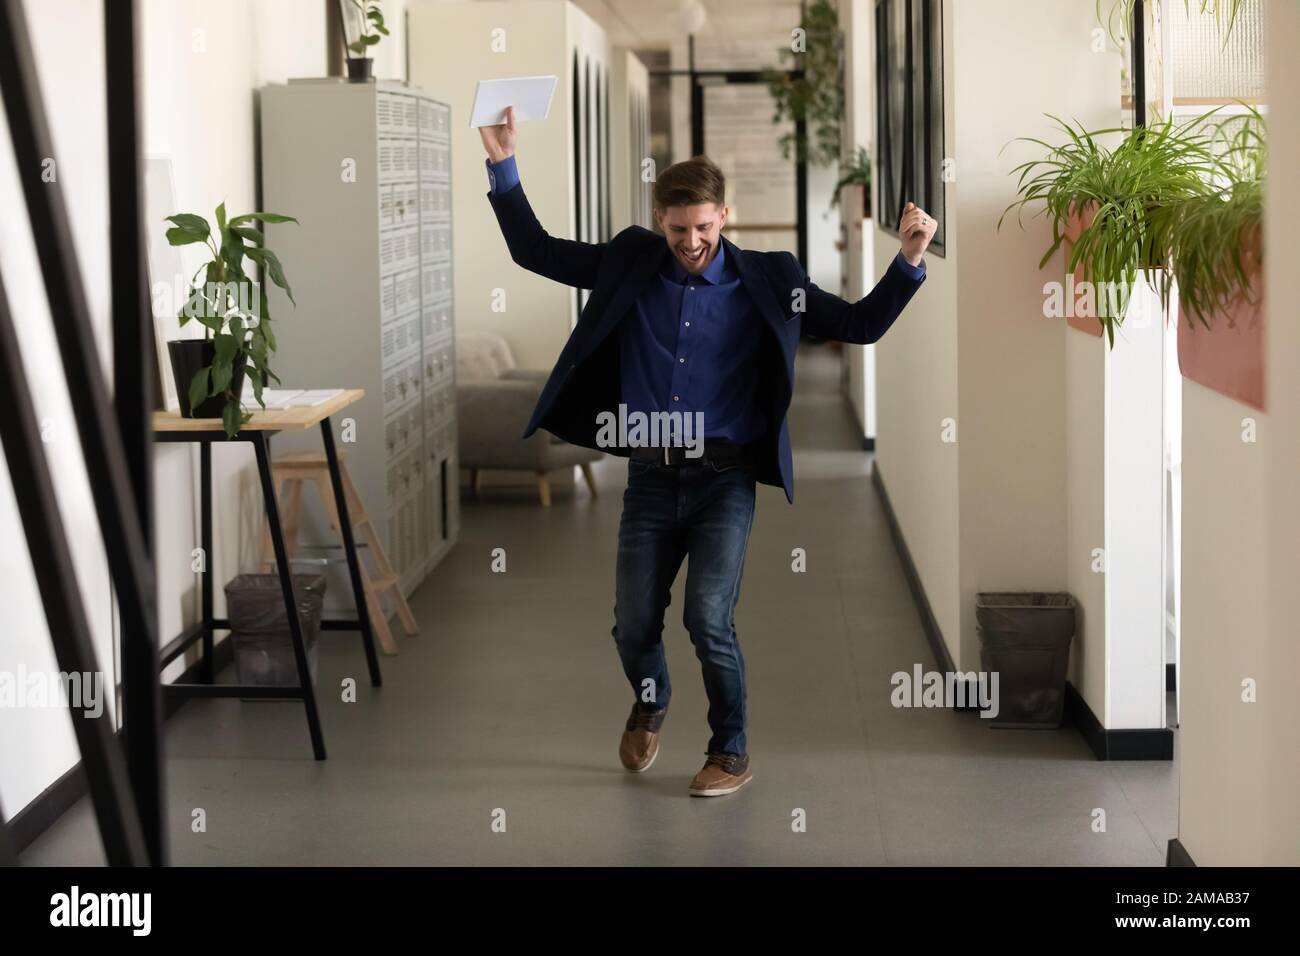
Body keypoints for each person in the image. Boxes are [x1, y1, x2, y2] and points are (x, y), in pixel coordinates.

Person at [480, 106, 935, 797]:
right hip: (649, 476)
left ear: (724, 215)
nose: (690, 242)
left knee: (708, 617)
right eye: (677, 229)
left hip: (725, 478)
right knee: (633, 625)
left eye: (703, 227)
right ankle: (652, 699)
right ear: (658, 220)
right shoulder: (630, 260)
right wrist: (503, 163)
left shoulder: (772, 276)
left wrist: (908, 260)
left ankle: (730, 750)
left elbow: (857, 324)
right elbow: (535, 251)